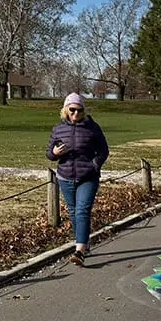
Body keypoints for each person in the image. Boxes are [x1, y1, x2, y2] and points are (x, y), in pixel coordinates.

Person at [45, 93, 109, 266]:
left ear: (83, 111)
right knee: (73, 211)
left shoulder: (92, 128)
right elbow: (49, 153)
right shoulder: (58, 129)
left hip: (87, 177)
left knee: (82, 210)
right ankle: (84, 243)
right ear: (66, 110)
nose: (75, 114)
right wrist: (55, 153)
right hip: (65, 176)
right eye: (72, 110)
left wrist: (94, 165)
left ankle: (79, 250)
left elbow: (104, 151)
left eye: (79, 110)